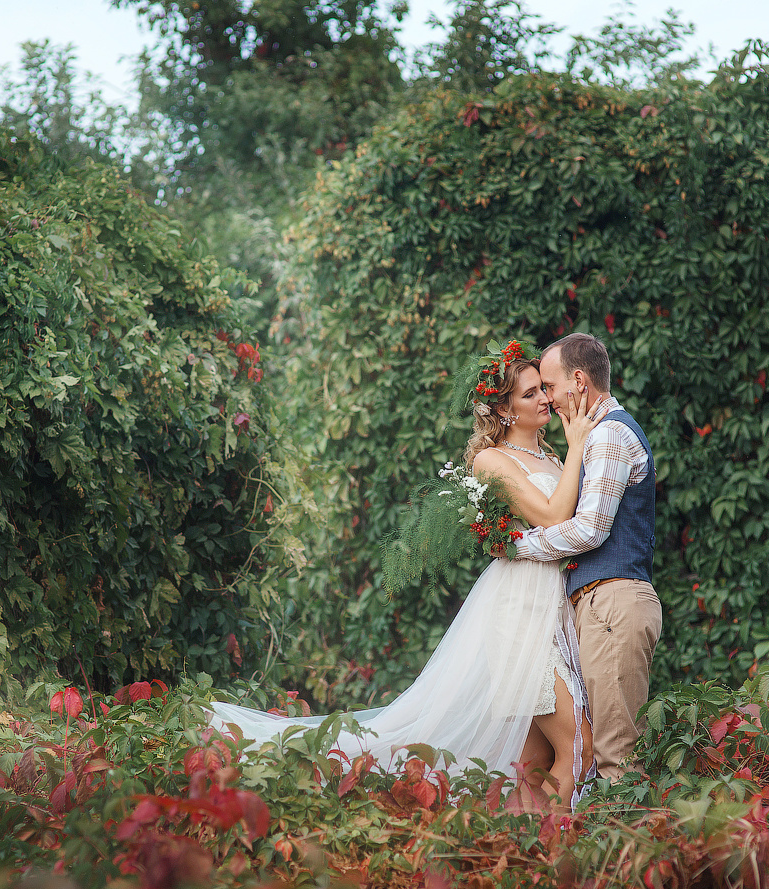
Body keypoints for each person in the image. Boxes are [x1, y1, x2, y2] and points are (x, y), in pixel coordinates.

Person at [206, 343, 606, 812]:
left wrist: (571, 452)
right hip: (518, 616)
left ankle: (508, 845)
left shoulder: (553, 460)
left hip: (554, 612)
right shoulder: (493, 461)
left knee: (533, 763)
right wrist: (578, 443)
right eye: (529, 393)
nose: (544, 399)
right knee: (578, 748)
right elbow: (554, 516)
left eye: (543, 388)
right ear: (503, 409)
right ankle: (552, 846)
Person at [514, 333, 661, 782]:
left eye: (550, 386)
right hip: (603, 605)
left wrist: (518, 546)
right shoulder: (595, 437)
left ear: (579, 381)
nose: (549, 398)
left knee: (616, 757)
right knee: (606, 753)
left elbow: (590, 529)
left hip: (613, 603)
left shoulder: (610, 435)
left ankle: (626, 830)